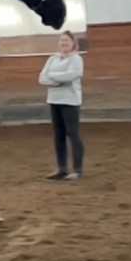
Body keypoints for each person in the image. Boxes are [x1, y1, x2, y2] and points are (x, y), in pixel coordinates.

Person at [38, 31, 85, 180]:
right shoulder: (52, 58)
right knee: (58, 136)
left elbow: (71, 76)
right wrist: (59, 81)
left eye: (67, 40)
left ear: (73, 43)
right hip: (54, 100)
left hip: (70, 101)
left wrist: (52, 77)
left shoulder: (77, 59)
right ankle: (62, 168)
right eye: (61, 40)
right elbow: (42, 78)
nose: (64, 43)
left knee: (73, 134)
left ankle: (77, 169)